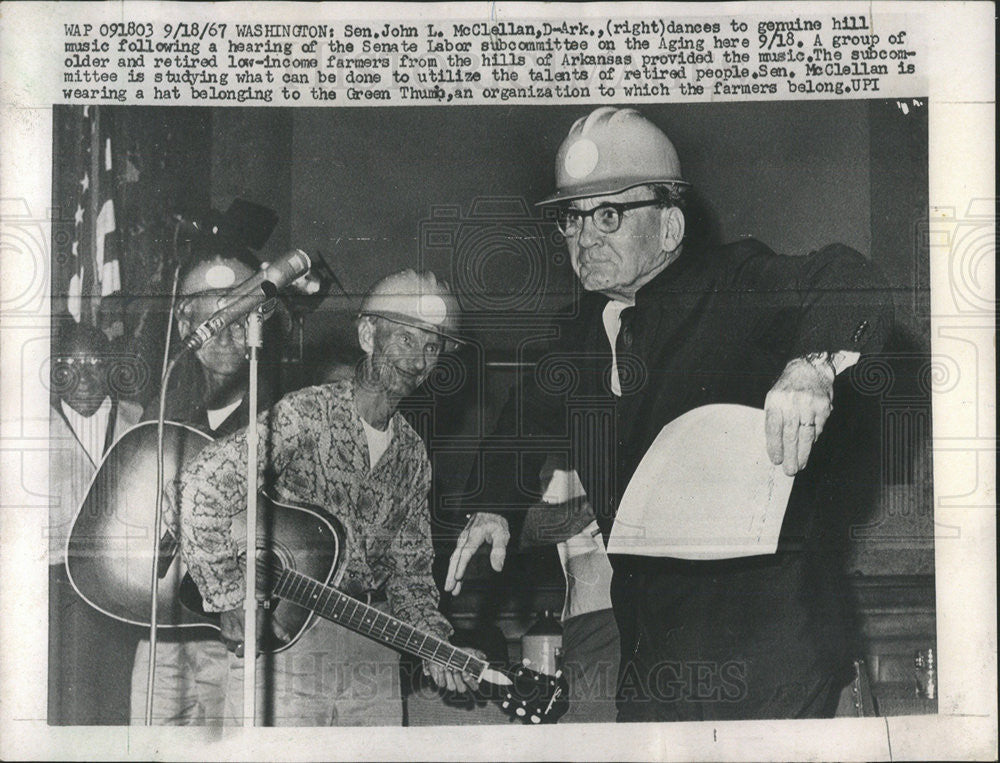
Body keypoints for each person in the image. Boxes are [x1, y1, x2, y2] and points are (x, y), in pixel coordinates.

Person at [446, 107, 893, 721]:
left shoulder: (732, 283)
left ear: (669, 227)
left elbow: (846, 275)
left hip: (772, 662)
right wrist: (494, 500)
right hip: (652, 659)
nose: (584, 238)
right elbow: (526, 415)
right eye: (570, 220)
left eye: (608, 215)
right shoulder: (577, 333)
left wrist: (812, 365)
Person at [176, 269, 480, 726]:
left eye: (431, 347)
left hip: (370, 650)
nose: (418, 361)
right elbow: (200, 485)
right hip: (288, 643)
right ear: (367, 335)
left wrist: (436, 645)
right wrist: (229, 597)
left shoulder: (414, 455)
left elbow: (411, 575)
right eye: (405, 340)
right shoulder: (306, 414)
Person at [130, 247, 276, 725]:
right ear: (183, 324)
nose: (227, 333)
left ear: (259, 323)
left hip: (232, 632)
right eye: (211, 316)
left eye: (240, 316)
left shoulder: (280, 413)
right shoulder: (163, 408)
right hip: (162, 622)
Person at [49, 321, 143, 724]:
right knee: (71, 702)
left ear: (111, 366)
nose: (83, 375)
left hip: (126, 586)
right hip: (59, 589)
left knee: (121, 701)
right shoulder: (32, 425)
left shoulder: (141, 420)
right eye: (70, 363)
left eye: (93, 361)